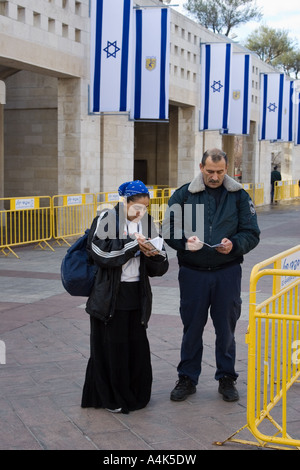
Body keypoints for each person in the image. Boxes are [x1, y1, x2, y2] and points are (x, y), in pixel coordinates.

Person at [162, 148, 260, 402]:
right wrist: (184, 242)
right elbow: (169, 228)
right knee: (192, 327)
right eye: (210, 171)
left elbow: (251, 232)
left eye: (220, 172)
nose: (215, 177)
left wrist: (235, 245)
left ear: (226, 169)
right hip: (193, 274)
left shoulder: (238, 196)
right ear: (201, 167)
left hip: (227, 272)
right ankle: (187, 378)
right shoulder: (184, 194)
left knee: (226, 329)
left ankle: (226, 378)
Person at [81, 180, 169, 414]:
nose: (141, 213)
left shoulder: (148, 223)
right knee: (113, 348)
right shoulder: (107, 219)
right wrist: (133, 245)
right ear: (125, 202)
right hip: (110, 296)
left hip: (137, 295)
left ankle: (137, 395)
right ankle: (112, 397)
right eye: (137, 208)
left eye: (145, 208)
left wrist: (155, 253)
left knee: (137, 346)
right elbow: (99, 253)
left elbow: (161, 266)